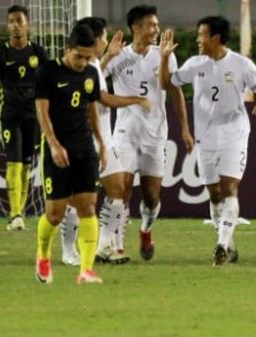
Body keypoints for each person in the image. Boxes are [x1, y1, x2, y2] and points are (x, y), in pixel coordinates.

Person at [159, 16, 256, 265]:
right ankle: (229, 246)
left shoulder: (241, 64)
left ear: (216, 38)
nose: (197, 39)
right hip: (206, 136)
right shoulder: (195, 64)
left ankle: (221, 245)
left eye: (202, 35)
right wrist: (164, 57)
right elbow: (167, 84)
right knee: (214, 195)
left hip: (235, 133)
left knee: (229, 187)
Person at [95, 4, 193, 264]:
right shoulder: (118, 55)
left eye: (157, 25)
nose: (156, 30)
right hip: (125, 134)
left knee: (151, 197)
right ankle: (115, 245)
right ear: (136, 27)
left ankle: (146, 230)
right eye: (151, 25)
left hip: (155, 135)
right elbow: (94, 84)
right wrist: (107, 57)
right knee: (121, 189)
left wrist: (184, 128)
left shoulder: (164, 54)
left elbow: (170, 88)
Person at [57, 17, 151, 267]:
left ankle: (105, 246)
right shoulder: (80, 66)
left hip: (104, 139)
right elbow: (104, 98)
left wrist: (109, 57)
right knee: (77, 197)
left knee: (118, 188)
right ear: (97, 40)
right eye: (105, 37)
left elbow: (99, 79)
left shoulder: (96, 64)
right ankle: (68, 250)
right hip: (83, 138)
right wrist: (136, 100)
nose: (107, 41)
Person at [33, 23, 109, 284]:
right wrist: (53, 144)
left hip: (84, 148)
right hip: (58, 148)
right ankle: (43, 255)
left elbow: (91, 110)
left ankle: (86, 270)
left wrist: (101, 143)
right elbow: (42, 112)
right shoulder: (47, 72)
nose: (83, 62)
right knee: (55, 213)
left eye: (89, 57)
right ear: (67, 48)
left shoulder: (90, 73)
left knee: (88, 206)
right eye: (79, 56)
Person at [0, 4, 48, 231]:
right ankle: (14, 213)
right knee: (13, 161)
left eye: (19, 20)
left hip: (33, 115)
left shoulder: (38, 53)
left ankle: (20, 214)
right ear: (8, 26)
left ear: (28, 24)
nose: (15, 25)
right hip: (10, 114)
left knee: (27, 164)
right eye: (11, 22)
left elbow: (49, 87)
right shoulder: (1, 55)